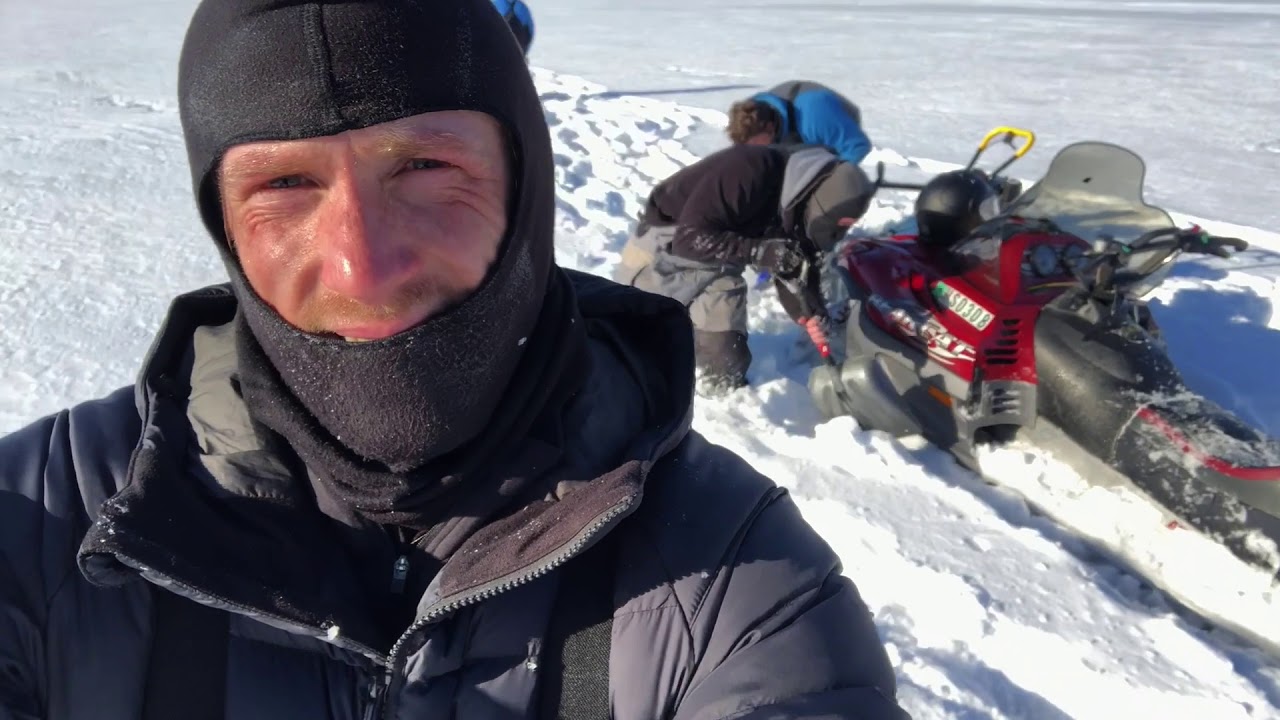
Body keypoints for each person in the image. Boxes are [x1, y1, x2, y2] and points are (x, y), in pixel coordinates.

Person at [0, 1, 911, 719]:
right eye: (285, 184)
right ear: (225, 225)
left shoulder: (731, 576)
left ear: (525, 188)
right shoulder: (47, 521)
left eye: (428, 168)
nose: (364, 265)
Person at [614, 142, 874, 390]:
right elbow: (689, 238)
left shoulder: (799, 199)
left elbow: (795, 267)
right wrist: (760, 251)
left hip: (723, 259)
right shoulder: (749, 169)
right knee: (632, 346)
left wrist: (811, 313)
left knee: (726, 360)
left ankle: (725, 405)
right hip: (666, 249)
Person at [728, 80, 873, 166]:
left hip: (834, 131)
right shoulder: (750, 115)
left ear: (769, 127)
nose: (750, 151)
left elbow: (857, 146)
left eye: (753, 145)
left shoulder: (816, 116)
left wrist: (832, 177)